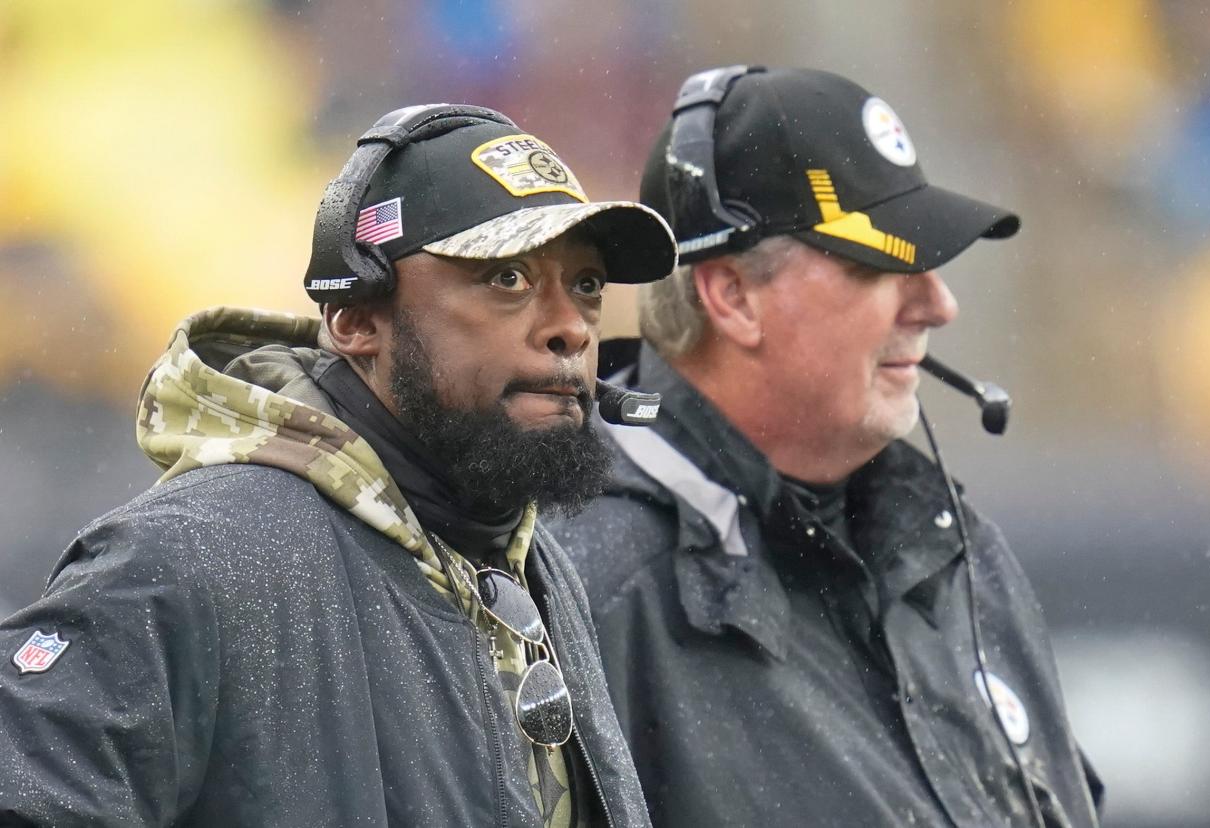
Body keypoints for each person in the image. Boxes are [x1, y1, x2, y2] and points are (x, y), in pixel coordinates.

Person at [0, 104, 677, 826]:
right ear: (355, 321)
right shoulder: (188, 559)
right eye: (505, 278)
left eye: (586, 286)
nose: (570, 327)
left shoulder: (524, 556)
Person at [548, 67, 1105, 827]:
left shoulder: (952, 547)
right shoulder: (583, 584)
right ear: (732, 297)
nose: (938, 303)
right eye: (880, 264)